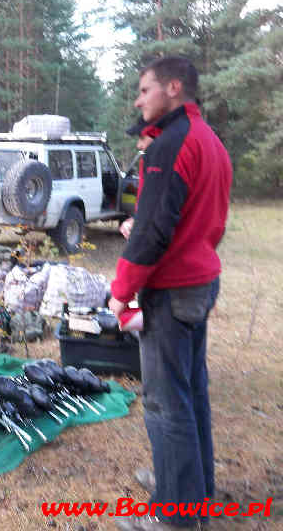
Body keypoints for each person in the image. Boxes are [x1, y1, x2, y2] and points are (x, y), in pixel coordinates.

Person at [109, 57, 232, 531]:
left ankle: (175, 516)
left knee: (165, 401)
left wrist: (122, 291)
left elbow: (155, 233)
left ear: (174, 88)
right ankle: (190, 487)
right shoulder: (209, 141)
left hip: (175, 288)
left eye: (144, 90)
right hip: (201, 281)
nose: (138, 100)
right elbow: (199, 219)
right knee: (191, 391)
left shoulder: (171, 144)